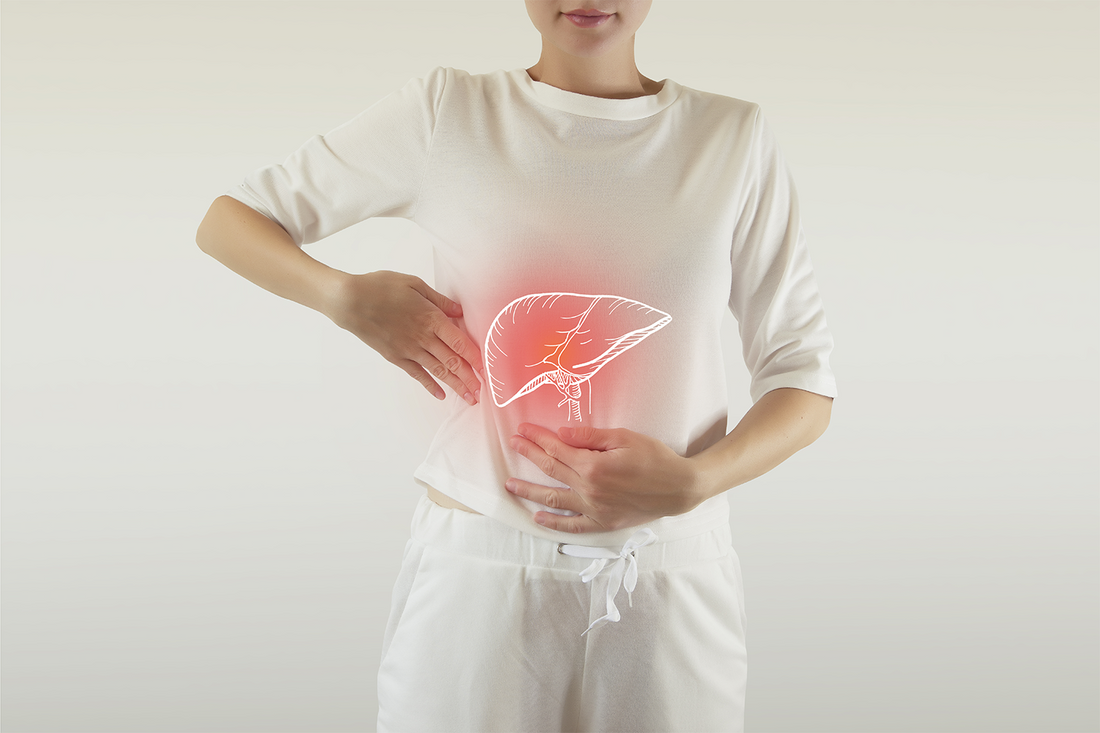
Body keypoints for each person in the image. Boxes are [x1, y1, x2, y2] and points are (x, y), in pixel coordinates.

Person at [196, 1, 837, 730]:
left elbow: (804, 377)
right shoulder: (449, 113)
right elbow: (229, 221)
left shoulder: (731, 138)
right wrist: (345, 297)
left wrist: (694, 480)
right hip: (482, 586)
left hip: (667, 583)